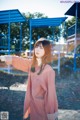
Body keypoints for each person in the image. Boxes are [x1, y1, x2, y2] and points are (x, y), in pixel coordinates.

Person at [3, 37, 58, 120]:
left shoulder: (49, 71)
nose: (38, 50)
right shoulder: (32, 65)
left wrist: (51, 114)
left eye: (41, 47)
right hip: (33, 105)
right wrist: (6, 58)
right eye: (37, 46)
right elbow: (21, 61)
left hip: (43, 108)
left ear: (46, 51)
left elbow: (51, 94)